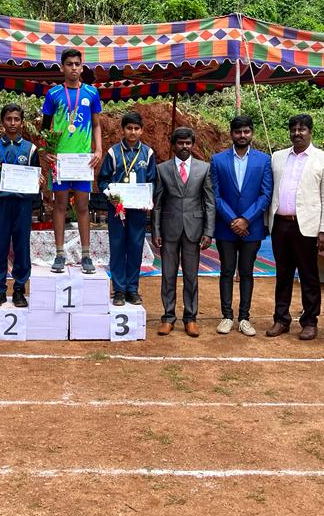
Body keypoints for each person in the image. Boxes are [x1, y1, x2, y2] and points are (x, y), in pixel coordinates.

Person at [266, 113, 324, 341]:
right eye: (294, 129)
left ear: (310, 132)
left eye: (302, 129)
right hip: (280, 225)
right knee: (283, 275)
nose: (297, 133)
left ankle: (310, 321)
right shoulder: (277, 157)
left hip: (307, 227)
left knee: (309, 275)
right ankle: (281, 319)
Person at [210, 115, 273, 336]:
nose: (242, 135)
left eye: (246, 131)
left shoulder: (263, 160)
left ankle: (244, 318)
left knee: (246, 272)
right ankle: (227, 316)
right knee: (226, 271)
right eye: (238, 132)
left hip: (251, 227)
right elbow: (215, 195)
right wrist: (232, 220)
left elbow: (265, 194)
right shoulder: (217, 160)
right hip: (225, 227)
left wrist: (246, 219)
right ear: (231, 134)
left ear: (252, 133)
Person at [41, 47, 102, 275]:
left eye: (77, 64)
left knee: (83, 207)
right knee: (59, 205)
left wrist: (98, 149)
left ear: (82, 67)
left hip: (83, 160)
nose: (73, 68)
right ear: (62, 68)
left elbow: (96, 124)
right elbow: (45, 127)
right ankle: (59, 254)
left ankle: (86, 255)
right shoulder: (54, 94)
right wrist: (46, 151)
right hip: (60, 160)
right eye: (69, 64)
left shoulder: (91, 93)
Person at [152, 127, 215, 337]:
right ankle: (168, 317)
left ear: (192, 144)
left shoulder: (204, 168)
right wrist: (156, 230)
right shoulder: (162, 169)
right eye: (180, 143)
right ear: (173, 145)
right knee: (168, 275)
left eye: (188, 143)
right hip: (168, 230)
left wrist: (208, 232)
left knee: (191, 276)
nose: (184, 146)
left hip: (194, 230)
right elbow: (157, 204)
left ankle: (191, 318)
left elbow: (209, 202)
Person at [98, 111, 156, 306]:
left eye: (136, 128)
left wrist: (148, 198)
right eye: (129, 128)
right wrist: (111, 196)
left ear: (141, 131)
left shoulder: (148, 153)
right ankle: (119, 290)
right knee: (117, 247)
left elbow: (152, 180)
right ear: (122, 130)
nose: (133, 132)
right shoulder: (113, 152)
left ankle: (132, 289)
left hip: (138, 209)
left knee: (135, 247)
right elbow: (102, 180)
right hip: (118, 208)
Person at [0, 104, 39, 308]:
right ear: (2, 122)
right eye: (9, 119)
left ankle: (19, 289)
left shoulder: (30, 149)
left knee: (21, 246)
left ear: (22, 122)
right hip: (1, 204)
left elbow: (36, 175)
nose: (13, 123)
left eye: (17, 119)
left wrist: (39, 181)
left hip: (23, 204)